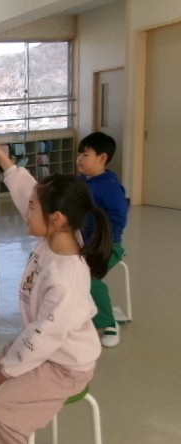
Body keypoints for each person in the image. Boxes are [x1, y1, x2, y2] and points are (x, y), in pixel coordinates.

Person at [0, 125, 113, 444]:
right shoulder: (55, 236)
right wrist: (0, 155)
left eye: (32, 208)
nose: (24, 211)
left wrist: (8, 371)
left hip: (65, 365)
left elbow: (44, 338)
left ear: (55, 219)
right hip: (37, 348)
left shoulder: (66, 280)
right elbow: (25, 189)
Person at [77, 132, 129, 347]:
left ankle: (109, 323)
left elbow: (118, 220)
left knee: (89, 277)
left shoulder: (110, 187)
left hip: (108, 246)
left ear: (102, 158)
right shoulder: (82, 180)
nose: (79, 159)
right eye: (79, 154)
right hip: (84, 243)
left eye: (85, 154)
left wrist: (98, 244)